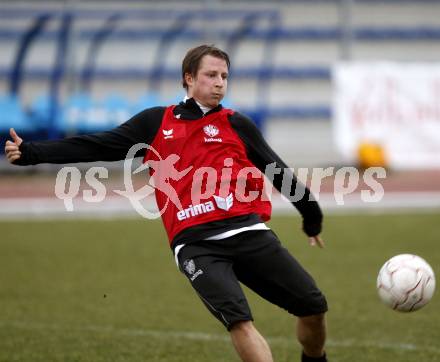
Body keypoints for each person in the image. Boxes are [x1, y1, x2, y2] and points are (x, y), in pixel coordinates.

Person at [5, 44, 328, 362]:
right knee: (239, 320)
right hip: (197, 245)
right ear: (188, 78)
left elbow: (278, 172)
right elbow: (98, 146)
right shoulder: (155, 122)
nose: (219, 83)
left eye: (224, 76)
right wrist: (33, 153)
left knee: (314, 307)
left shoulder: (236, 123)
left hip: (249, 231)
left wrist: (311, 218)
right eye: (211, 75)